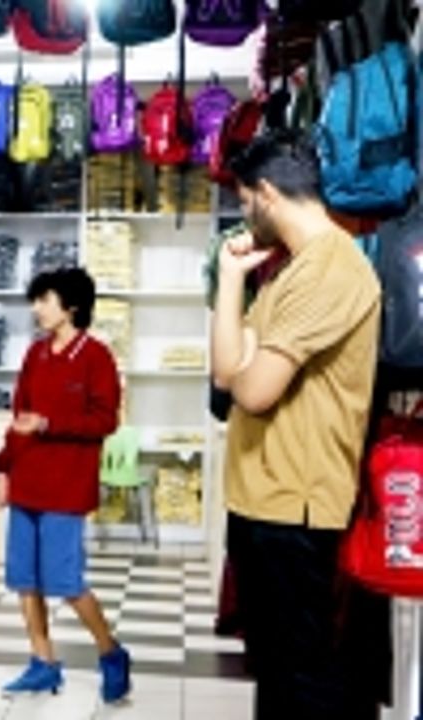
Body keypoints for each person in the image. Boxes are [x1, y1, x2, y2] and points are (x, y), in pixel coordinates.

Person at [211, 131, 381, 719]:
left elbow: (253, 391)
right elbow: (225, 371)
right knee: (279, 671)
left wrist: (242, 373)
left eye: (243, 202)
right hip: (263, 502)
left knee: (304, 678)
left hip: (296, 507)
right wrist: (230, 278)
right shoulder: (290, 271)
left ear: (266, 194)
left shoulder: (331, 268)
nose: (243, 217)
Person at [0, 267, 130, 704]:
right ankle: (43, 662)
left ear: (71, 306)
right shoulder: (35, 354)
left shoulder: (96, 356)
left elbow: (105, 420)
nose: (37, 309)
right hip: (26, 482)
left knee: (66, 582)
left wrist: (50, 423)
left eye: (44, 300)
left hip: (66, 489)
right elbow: (20, 419)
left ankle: (110, 652)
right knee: (24, 580)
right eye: (35, 300)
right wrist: (2, 469)